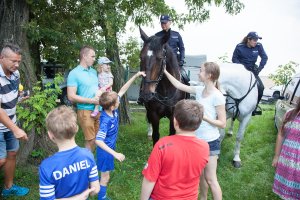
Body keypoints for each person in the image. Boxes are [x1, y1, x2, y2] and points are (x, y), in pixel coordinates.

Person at [164, 62, 226, 200]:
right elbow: (179, 85)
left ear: (209, 75)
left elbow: (222, 123)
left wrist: (204, 117)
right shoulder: (199, 90)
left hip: (210, 142)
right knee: (201, 176)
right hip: (196, 141)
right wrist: (165, 71)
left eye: (201, 71)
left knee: (211, 179)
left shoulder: (217, 96)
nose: (199, 73)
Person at [140, 99, 209, 200]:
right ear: (198, 124)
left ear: (175, 122)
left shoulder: (162, 145)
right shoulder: (205, 147)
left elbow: (150, 179)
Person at [96, 71, 146, 200]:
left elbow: (122, 90)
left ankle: (96, 188)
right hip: (105, 151)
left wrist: (135, 76)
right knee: (105, 177)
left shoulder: (111, 108)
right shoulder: (105, 121)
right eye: (117, 101)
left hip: (109, 150)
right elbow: (98, 141)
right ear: (113, 106)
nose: (119, 100)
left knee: (104, 174)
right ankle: (102, 197)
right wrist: (115, 153)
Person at [39, 106, 100, 199]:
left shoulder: (47, 166)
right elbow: (95, 189)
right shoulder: (88, 155)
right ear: (76, 129)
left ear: (50, 135)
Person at [0, 43, 29, 197]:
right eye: (13, 61)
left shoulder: (15, 74)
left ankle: (8, 187)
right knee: (1, 160)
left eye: (19, 61)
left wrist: (21, 98)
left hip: (11, 122)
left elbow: (11, 97)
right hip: (3, 125)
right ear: (1, 58)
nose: (17, 65)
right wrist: (15, 129)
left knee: (12, 154)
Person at [67, 45, 100, 151]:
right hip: (85, 111)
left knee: (98, 139)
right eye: (92, 56)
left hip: (98, 110)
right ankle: (87, 164)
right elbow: (71, 96)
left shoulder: (94, 71)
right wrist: (92, 101)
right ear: (84, 56)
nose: (94, 59)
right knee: (90, 140)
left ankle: (89, 161)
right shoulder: (74, 73)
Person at [232, 31, 268, 116]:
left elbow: (264, 57)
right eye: (254, 40)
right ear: (249, 39)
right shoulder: (239, 47)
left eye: (257, 40)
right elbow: (234, 59)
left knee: (261, 87)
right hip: (241, 71)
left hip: (253, 71)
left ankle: (254, 107)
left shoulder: (259, 46)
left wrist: (259, 68)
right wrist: (241, 68)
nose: (256, 42)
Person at [272, 100, 300, 199]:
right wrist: (276, 156)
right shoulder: (290, 113)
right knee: (286, 193)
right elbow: (281, 134)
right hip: (286, 161)